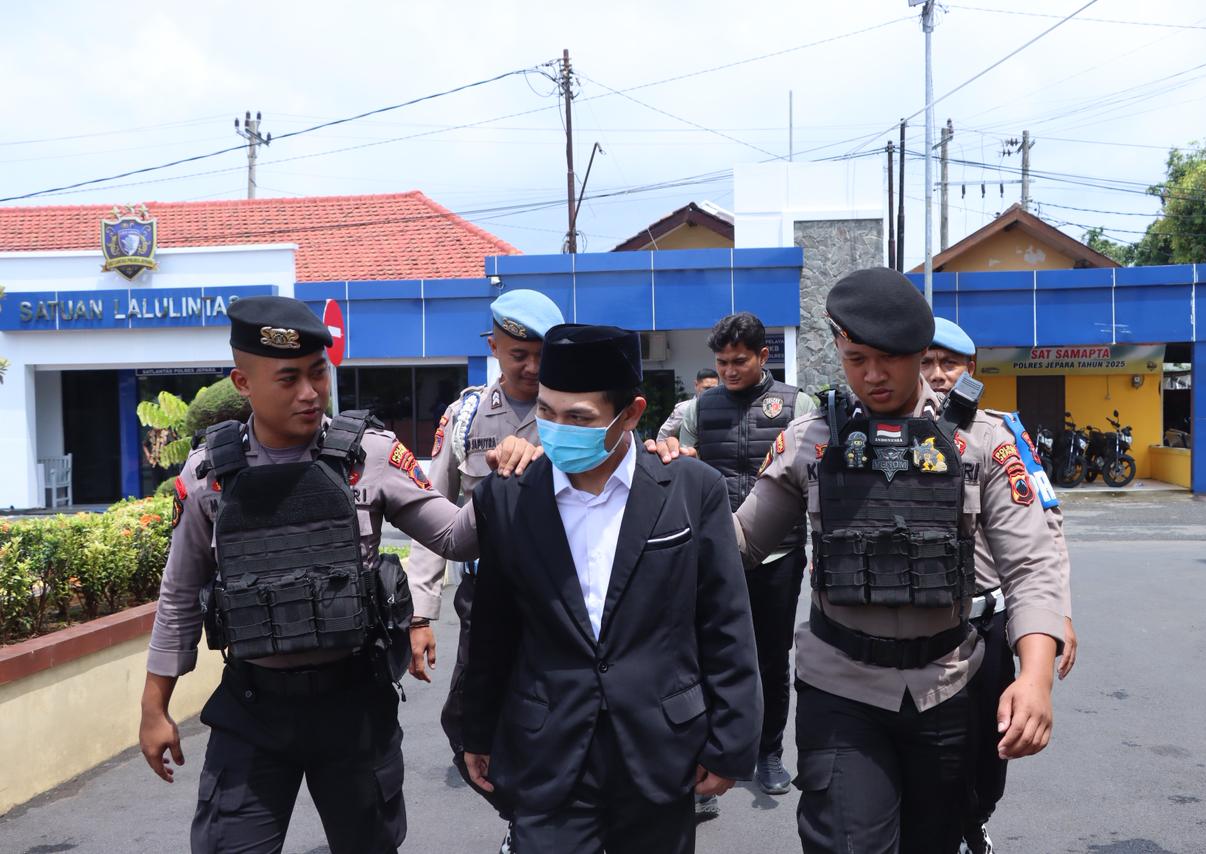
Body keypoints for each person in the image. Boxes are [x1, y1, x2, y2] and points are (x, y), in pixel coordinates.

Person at [652, 267, 1067, 853]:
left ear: (922, 354)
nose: (872, 376)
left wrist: (1035, 675)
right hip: (840, 686)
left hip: (949, 684)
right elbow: (739, 544)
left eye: (890, 359)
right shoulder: (809, 437)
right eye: (855, 358)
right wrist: (664, 484)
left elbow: (1031, 566)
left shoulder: (985, 440)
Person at [138, 295, 538, 854]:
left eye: (317, 373)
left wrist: (505, 475)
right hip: (254, 708)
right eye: (288, 379)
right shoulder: (209, 473)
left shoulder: (367, 453)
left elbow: (456, 536)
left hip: (353, 706)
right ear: (243, 382)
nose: (309, 392)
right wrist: (154, 708)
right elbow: (179, 594)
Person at [462, 323, 763, 854]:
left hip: (661, 748)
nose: (556, 429)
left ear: (631, 414)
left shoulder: (691, 491)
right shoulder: (507, 498)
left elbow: (725, 624)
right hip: (547, 747)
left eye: (578, 418)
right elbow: (491, 629)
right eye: (547, 412)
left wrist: (731, 743)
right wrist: (476, 731)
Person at [404, 288, 564, 854]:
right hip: (485, 594)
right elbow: (431, 514)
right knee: (467, 719)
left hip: (563, 595)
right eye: (518, 352)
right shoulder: (467, 415)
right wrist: (421, 613)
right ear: (493, 345)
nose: (532, 366)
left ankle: (541, 828)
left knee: (559, 711)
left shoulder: (578, 410)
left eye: (542, 352)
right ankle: (523, 815)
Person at [924, 316, 1077, 854]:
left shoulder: (1002, 433)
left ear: (970, 369)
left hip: (986, 623)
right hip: (920, 628)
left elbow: (1047, 528)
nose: (938, 375)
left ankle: (976, 815)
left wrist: (1059, 612)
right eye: (926, 363)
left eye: (949, 364)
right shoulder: (878, 431)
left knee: (990, 756)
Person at [676, 311, 816, 804]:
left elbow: (819, 481)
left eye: (740, 361)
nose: (730, 370)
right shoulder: (698, 408)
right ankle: (705, 758)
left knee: (771, 658)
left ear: (763, 356)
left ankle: (768, 752)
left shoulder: (799, 404)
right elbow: (676, 465)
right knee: (702, 656)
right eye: (722, 362)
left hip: (777, 555)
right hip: (712, 555)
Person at [656, 368, 720, 440]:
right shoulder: (684, 409)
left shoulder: (723, 408)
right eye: (706, 388)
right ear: (696, 385)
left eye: (714, 389)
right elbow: (663, 436)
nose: (710, 392)